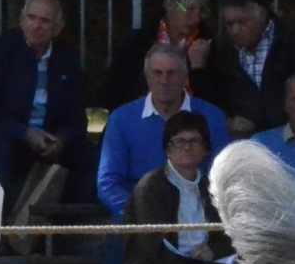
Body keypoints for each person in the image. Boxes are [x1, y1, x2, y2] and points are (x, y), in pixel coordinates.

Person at [0, 0, 94, 211]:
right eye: (31, 18)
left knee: (91, 158)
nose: (37, 26)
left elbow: (76, 117)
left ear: (58, 27)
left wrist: (61, 140)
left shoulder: (67, 58)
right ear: (21, 20)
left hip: (49, 138)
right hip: (7, 135)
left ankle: (75, 232)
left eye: (45, 21)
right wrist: (24, 133)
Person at [97, 43, 229, 224]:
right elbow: (108, 183)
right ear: (147, 77)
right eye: (157, 73)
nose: (164, 80)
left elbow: (223, 178)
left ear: (185, 77)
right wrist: (141, 214)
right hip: (137, 223)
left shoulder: (212, 117)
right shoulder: (121, 119)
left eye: (171, 73)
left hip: (198, 220)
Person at [126, 111, 237, 264]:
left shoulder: (214, 186)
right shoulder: (150, 187)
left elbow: (228, 236)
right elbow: (151, 249)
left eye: (194, 141)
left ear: (206, 148)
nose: (187, 147)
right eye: (179, 141)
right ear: (168, 149)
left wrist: (211, 254)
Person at [208, 0, 295, 140]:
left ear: (262, 14)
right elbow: (217, 97)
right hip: (248, 144)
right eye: (230, 24)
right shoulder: (224, 51)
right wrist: (229, 120)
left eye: (242, 22)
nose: (235, 30)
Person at [99, 0, 216, 113]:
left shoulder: (208, 45)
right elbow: (114, 92)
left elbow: (213, 108)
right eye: (188, 9)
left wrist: (198, 70)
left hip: (191, 127)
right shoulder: (139, 43)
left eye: (202, 10)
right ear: (168, 4)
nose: (196, 18)